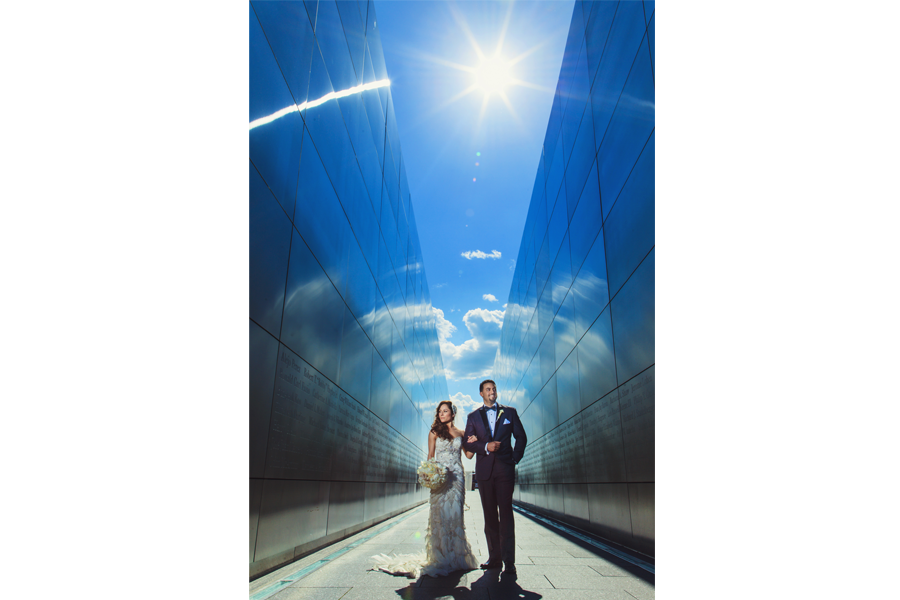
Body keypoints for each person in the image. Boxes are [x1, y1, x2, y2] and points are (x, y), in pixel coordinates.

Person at [372, 400, 480, 578]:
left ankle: (456, 556)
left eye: (445, 411)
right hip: (441, 479)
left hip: (457, 478)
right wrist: (431, 476)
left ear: (453, 414)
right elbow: (430, 457)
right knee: (441, 517)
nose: (441, 414)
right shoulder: (434, 432)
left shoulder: (461, 433)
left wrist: (474, 442)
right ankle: (442, 556)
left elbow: (468, 456)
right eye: (439, 412)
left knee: (456, 515)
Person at [461, 379, 526, 577]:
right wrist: (484, 447)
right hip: (485, 472)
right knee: (490, 516)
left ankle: (509, 561)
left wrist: (513, 459)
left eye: (494, 389)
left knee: (506, 514)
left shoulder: (510, 412)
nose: (492, 391)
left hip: (505, 471)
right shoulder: (473, 417)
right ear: (481, 393)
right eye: (488, 389)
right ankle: (494, 558)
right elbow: (467, 443)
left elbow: (521, 437)